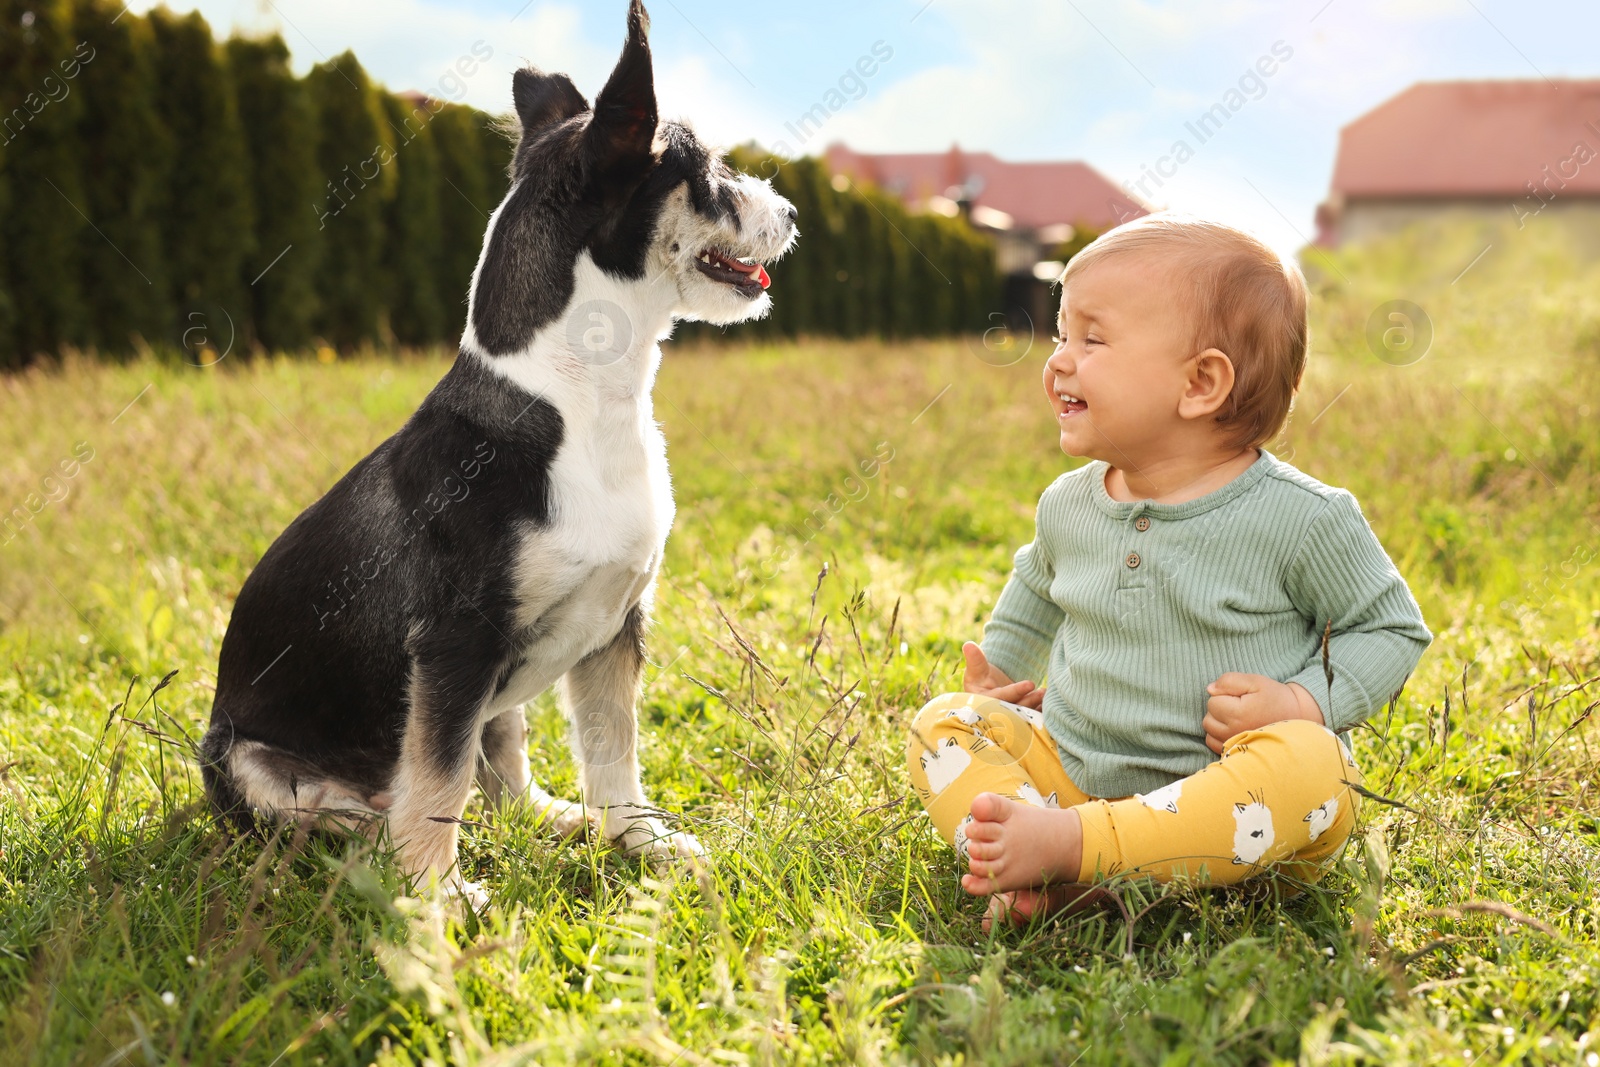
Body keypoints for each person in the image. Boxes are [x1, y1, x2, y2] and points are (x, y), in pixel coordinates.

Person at [906, 213, 1431, 926]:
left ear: (1200, 383)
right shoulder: (1071, 502)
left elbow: (1391, 627)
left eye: (1092, 339)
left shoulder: (1302, 517)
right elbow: (1036, 586)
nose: (1058, 359)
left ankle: (1076, 853)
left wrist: (1304, 703)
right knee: (942, 725)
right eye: (1062, 334)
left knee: (1315, 763)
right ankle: (1060, 864)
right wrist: (998, 671)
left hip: (1239, 810)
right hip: (1082, 780)